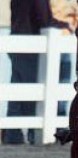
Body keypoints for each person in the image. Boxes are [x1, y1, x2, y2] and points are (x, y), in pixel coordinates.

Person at [1, 0, 71, 144]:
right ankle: (31, 134)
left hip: (17, 41)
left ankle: (12, 135)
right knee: (33, 94)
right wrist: (65, 26)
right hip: (32, 45)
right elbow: (44, 21)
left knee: (17, 91)